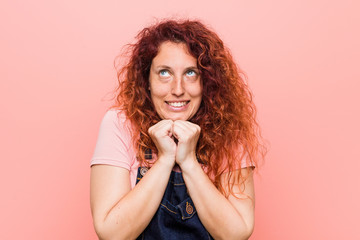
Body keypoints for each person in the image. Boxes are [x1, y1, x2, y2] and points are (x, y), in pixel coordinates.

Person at [90, 19, 266, 240]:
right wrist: (165, 159)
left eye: (191, 73)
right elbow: (112, 233)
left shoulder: (228, 129)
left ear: (207, 82)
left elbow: (236, 233)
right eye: (165, 73)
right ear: (147, 81)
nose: (178, 89)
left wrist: (189, 162)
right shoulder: (120, 123)